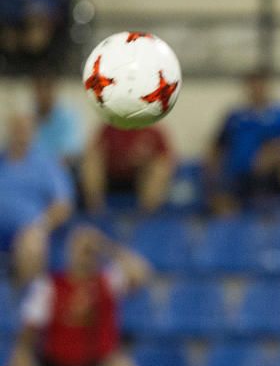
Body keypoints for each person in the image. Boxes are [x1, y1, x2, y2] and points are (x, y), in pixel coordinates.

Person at [4, 225, 148, 366]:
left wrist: (108, 247)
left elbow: (141, 273)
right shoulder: (49, 286)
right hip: (55, 365)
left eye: (88, 251)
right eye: (80, 249)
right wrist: (23, 357)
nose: (85, 255)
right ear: (69, 252)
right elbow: (29, 330)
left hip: (97, 364)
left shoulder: (109, 281)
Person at [204, 70, 280, 215]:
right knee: (220, 201)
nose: (257, 89)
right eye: (253, 85)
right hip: (238, 176)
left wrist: (271, 154)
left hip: (273, 177)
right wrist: (213, 177)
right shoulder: (235, 117)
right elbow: (216, 147)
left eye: (261, 85)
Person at [0, 112, 72, 286]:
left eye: (25, 129)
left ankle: (28, 306)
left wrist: (40, 226)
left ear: (33, 132)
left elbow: (63, 205)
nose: (20, 133)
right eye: (17, 128)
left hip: (31, 230)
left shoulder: (47, 164)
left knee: (31, 245)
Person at [79, 122, 175, 215]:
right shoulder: (108, 130)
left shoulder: (153, 132)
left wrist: (144, 161)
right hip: (111, 180)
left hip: (139, 181)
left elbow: (167, 159)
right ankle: (97, 214)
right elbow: (95, 153)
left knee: (159, 169)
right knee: (91, 162)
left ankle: (146, 217)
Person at [28, 72, 83, 169]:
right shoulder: (28, 118)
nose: (43, 95)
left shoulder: (67, 117)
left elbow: (71, 152)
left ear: (54, 91)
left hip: (60, 169)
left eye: (47, 89)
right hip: (33, 169)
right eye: (39, 89)